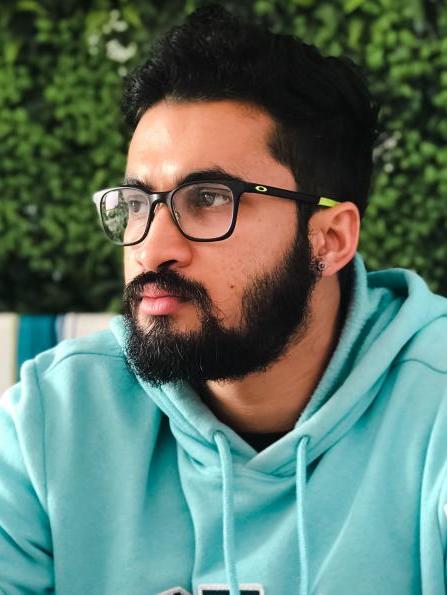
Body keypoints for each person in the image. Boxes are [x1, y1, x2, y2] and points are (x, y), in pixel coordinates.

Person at [1, 5, 446, 594]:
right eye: (137, 204)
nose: (152, 249)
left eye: (208, 198)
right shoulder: (54, 419)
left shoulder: (434, 411)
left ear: (330, 239)